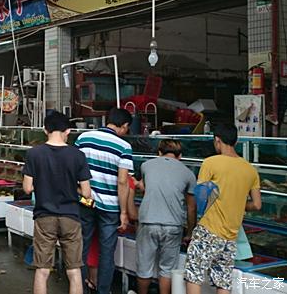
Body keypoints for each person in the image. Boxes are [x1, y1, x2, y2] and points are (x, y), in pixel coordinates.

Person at [185, 124, 262, 294]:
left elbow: (201, 198)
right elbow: (257, 205)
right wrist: (237, 203)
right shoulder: (250, 170)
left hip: (209, 229)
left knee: (194, 275)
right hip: (231, 236)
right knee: (223, 281)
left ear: (217, 141)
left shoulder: (211, 162)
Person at [23, 111, 92, 294]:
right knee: (74, 270)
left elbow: (27, 188)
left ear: (45, 130)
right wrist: (72, 187)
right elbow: (87, 193)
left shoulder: (34, 154)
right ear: (68, 130)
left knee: (42, 269)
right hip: (71, 216)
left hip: (44, 216)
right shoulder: (78, 155)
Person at [74, 107, 133, 294]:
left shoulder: (83, 138)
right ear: (123, 126)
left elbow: (74, 167)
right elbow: (123, 181)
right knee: (107, 252)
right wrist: (124, 213)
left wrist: (80, 192)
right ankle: (103, 291)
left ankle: (79, 289)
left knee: (81, 248)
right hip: (110, 207)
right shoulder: (124, 146)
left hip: (85, 201)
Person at [135, 140, 196, 294]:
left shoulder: (146, 165)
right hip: (173, 225)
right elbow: (191, 207)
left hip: (148, 221)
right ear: (180, 156)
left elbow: (143, 186)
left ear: (159, 153)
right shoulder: (188, 173)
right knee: (167, 268)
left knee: (144, 266)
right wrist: (190, 232)